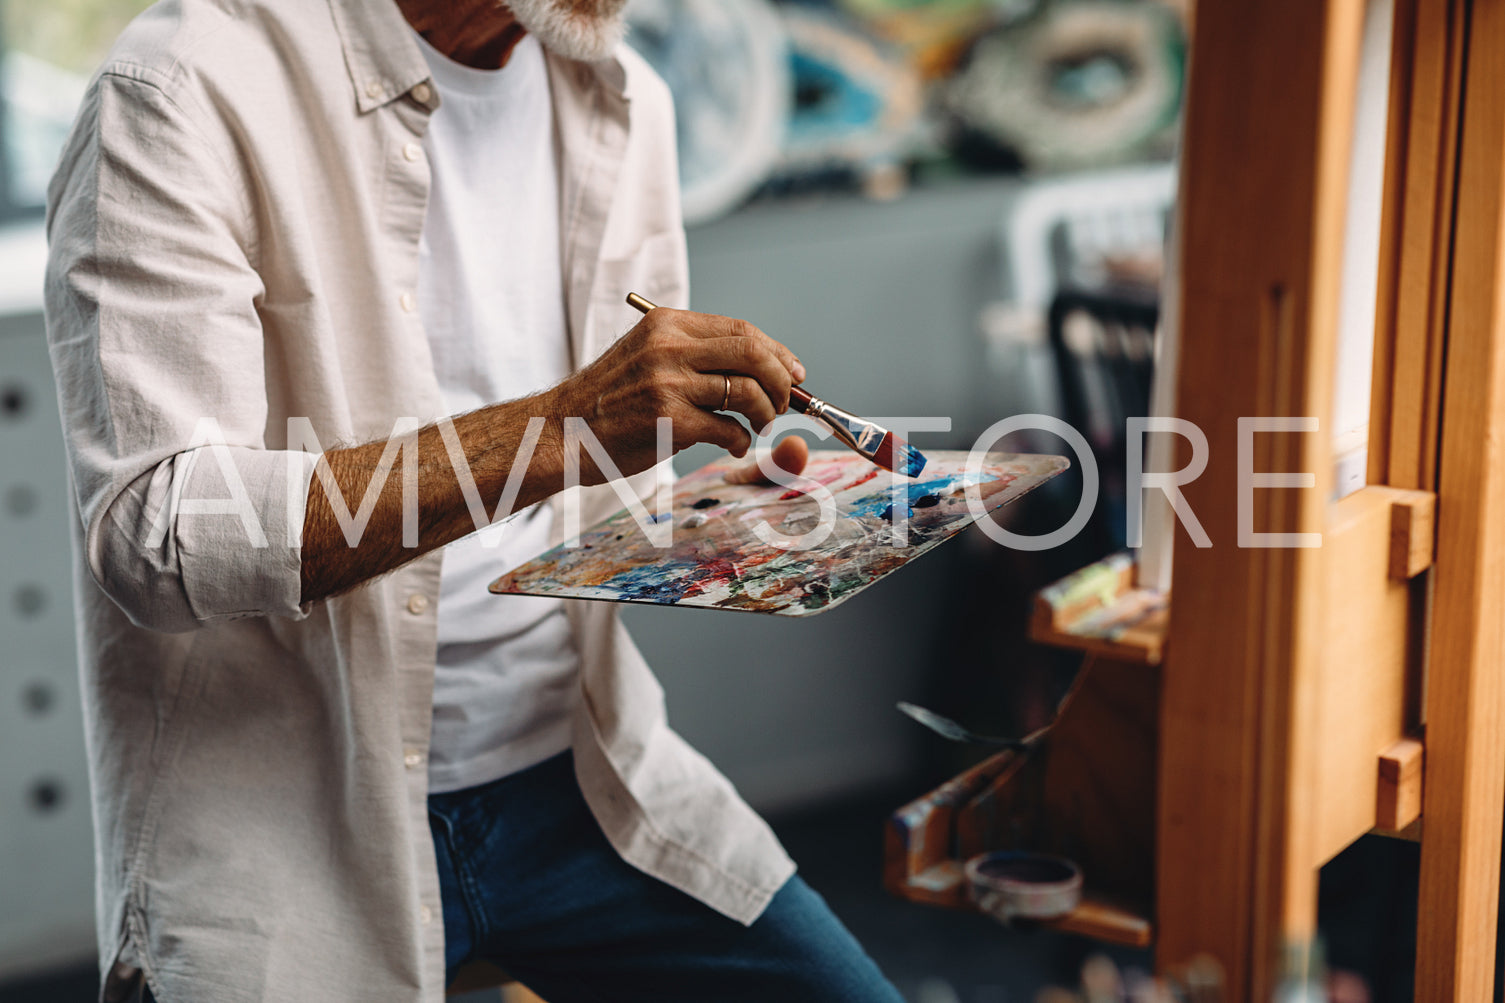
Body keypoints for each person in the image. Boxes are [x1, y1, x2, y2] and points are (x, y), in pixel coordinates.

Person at [43, 0, 904, 999]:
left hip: (580, 775)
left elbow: (595, 481)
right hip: (291, 819)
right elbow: (158, 534)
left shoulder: (627, 101)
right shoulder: (178, 91)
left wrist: (707, 513)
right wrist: (562, 425)